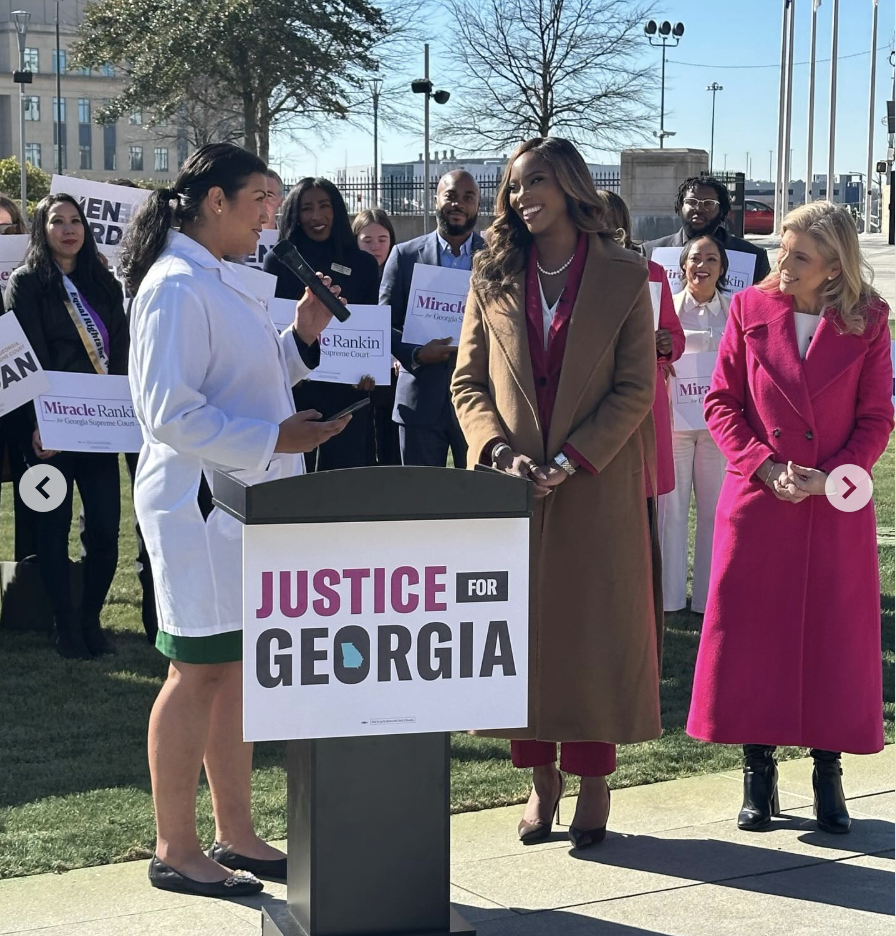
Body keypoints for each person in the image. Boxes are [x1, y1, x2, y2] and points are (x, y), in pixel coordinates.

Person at [122, 142, 350, 898]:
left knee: (236, 671)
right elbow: (170, 412)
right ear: (213, 201)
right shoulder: (175, 286)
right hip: (198, 507)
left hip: (241, 503)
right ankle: (174, 847)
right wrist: (275, 439)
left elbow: (244, 383)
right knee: (197, 670)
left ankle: (237, 833)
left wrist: (302, 338)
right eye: (260, 197)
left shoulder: (224, 282)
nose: (270, 213)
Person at [452, 137, 662, 850]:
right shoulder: (491, 275)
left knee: (594, 639)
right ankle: (539, 782)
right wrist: (499, 451)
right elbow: (467, 384)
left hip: (594, 486)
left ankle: (594, 781)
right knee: (517, 641)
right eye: (513, 186)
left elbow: (637, 387)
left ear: (571, 187)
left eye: (534, 182)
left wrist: (574, 459)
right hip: (511, 489)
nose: (520, 197)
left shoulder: (627, 276)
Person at [687, 202, 893, 835]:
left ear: (834, 265)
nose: (783, 262)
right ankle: (759, 773)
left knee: (832, 638)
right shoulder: (749, 309)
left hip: (834, 503)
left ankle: (828, 774)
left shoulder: (872, 321)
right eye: (783, 248)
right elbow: (722, 403)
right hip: (759, 500)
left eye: (799, 255)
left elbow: (877, 416)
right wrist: (764, 466)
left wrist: (832, 477)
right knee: (755, 638)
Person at [4, 194, 128, 658]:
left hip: (99, 427)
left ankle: (90, 617)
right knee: (52, 529)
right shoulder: (26, 283)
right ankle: (65, 624)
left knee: (105, 529)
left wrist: (119, 411)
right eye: (57, 221)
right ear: (42, 228)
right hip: (48, 432)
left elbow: (119, 355)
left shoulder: (104, 284)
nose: (68, 229)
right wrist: (38, 424)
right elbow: (28, 354)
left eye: (76, 220)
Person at [264, 177, 379, 470]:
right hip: (295, 392)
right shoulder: (278, 261)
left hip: (348, 394)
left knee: (342, 489)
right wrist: (291, 368)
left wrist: (371, 369)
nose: (316, 216)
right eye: (307, 208)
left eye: (324, 206)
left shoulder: (363, 264)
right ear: (295, 214)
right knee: (293, 489)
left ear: (337, 210)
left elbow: (372, 326)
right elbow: (271, 325)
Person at [383, 170, 484, 468]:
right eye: (451, 196)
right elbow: (384, 321)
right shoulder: (404, 255)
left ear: (478, 205)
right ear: (436, 199)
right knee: (421, 504)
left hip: (480, 400)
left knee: (480, 504)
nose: (459, 204)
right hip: (419, 400)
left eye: (468, 198)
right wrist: (415, 354)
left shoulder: (496, 257)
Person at [598, 190, 685, 503]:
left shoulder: (652, 273)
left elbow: (675, 335)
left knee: (642, 495)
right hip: (593, 395)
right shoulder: (575, 274)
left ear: (622, 227)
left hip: (643, 394)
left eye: (608, 223)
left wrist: (666, 344)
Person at [660, 236, 731, 614]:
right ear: (683, 265)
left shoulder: (735, 311)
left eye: (712, 259)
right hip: (674, 424)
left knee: (713, 510)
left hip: (718, 429)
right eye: (695, 258)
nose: (702, 265)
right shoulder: (664, 309)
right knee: (670, 510)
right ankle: (669, 597)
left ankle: (707, 599)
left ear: (722, 268)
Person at [643, 177, 771, 285]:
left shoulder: (753, 257)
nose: (698, 209)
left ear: (722, 210)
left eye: (709, 203)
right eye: (691, 202)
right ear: (680, 206)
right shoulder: (650, 254)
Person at [353, 208, 400, 465]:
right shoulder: (350, 277)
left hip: (391, 379)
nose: (375, 247)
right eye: (367, 240)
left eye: (382, 240)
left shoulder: (401, 273)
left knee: (391, 445)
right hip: (356, 378)